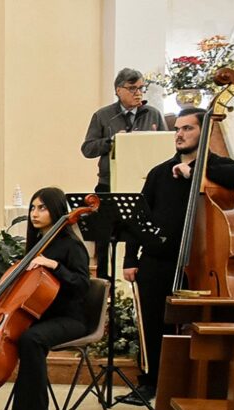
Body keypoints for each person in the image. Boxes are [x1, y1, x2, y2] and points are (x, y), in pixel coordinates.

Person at [119, 107, 234, 405]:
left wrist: (197, 171)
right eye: (178, 129)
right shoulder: (160, 173)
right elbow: (138, 218)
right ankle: (150, 383)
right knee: (153, 324)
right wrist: (130, 259)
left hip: (202, 266)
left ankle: (196, 383)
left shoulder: (219, 168)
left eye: (188, 129)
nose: (180, 134)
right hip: (158, 261)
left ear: (204, 133)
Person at [7, 188, 90, 410]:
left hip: (71, 318)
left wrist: (55, 266)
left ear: (56, 210)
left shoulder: (71, 246)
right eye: (33, 208)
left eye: (42, 208)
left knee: (32, 339)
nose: (35, 213)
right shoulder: (37, 244)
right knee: (17, 334)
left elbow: (82, 285)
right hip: (42, 315)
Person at [82, 68, 168, 277]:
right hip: (109, 184)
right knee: (104, 241)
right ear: (118, 90)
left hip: (142, 184)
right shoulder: (104, 116)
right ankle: (104, 285)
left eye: (141, 88)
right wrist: (111, 142)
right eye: (132, 88)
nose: (138, 93)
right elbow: (87, 149)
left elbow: (167, 145)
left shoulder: (153, 114)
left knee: (140, 235)